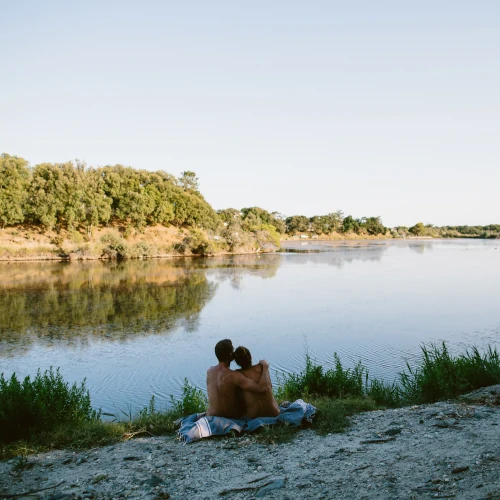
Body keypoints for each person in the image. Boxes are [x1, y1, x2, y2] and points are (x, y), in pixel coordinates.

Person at [206, 339, 271, 419]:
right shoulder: (234, 375)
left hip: (211, 415)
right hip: (230, 417)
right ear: (231, 355)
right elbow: (261, 388)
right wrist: (265, 367)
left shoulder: (210, 371)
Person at [233, 346, 280, 418]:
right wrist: (265, 367)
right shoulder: (262, 367)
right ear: (251, 357)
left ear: (237, 362)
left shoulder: (238, 375)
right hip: (274, 413)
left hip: (254, 416)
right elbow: (269, 387)